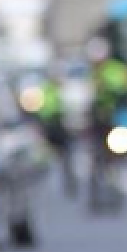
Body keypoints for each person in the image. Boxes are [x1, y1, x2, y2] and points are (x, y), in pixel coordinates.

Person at [36, 70, 77, 198]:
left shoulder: (67, 91)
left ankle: (69, 180)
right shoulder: (45, 91)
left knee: (67, 154)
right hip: (51, 126)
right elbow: (41, 110)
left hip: (63, 126)